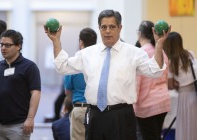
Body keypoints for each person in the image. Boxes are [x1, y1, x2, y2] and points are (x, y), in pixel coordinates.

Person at [45, 9, 171, 140]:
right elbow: (62, 66)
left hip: (122, 117)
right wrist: (56, 41)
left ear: (120, 28)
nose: (108, 31)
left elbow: (155, 70)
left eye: (112, 27)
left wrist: (159, 43)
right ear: (99, 28)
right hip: (94, 115)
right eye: (104, 27)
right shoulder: (87, 53)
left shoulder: (134, 53)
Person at [0, 29, 41, 140]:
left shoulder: (29, 67)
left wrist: (30, 118)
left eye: (7, 45)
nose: (3, 48)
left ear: (18, 46)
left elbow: (36, 93)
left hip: (19, 126)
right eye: (1, 44)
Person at [133, 20, 171, 140]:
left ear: (139, 34)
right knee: (155, 135)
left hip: (147, 105)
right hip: (163, 102)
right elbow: (166, 77)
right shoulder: (161, 52)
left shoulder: (140, 53)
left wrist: (133, 106)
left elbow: (137, 83)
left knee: (147, 136)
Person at [64, 27, 97, 140]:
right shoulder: (100, 62)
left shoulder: (74, 62)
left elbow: (68, 91)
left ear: (81, 42)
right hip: (97, 110)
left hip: (79, 108)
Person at [163, 31, 197, 140]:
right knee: (193, 125)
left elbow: (170, 85)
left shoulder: (172, 61)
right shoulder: (190, 53)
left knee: (184, 124)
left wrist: (177, 83)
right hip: (194, 93)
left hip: (183, 96)